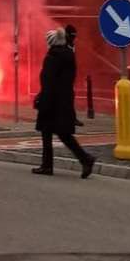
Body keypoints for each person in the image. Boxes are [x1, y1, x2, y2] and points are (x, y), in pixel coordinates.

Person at [32, 28, 95, 179]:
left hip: (52, 101)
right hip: (64, 101)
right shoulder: (69, 55)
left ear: (51, 43)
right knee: (63, 134)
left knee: (48, 132)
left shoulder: (52, 57)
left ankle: (48, 166)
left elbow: (48, 81)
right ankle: (85, 159)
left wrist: (41, 99)